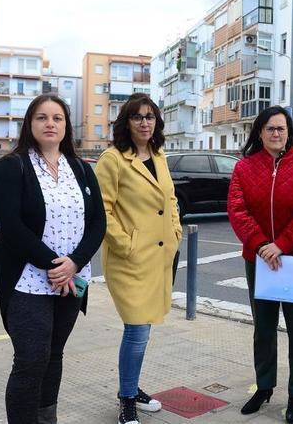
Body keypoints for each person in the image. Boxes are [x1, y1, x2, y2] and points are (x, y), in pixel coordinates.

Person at [0, 94, 106, 424]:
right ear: (30, 123)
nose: (50, 123)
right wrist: (56, 265)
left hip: (70, 281)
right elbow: (11, 227)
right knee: (30, 360)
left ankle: (47, 419)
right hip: (27, 283)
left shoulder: (81, 169)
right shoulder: (12, 167)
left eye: (57, 118)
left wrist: (75, 263)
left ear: (67, 126)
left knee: (54, 355)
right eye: (42, 117)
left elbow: (98, 221)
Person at [227, 106, 293, 424]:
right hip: (259, 261)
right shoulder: (244, 168)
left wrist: (280, 245)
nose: (276, 134)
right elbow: (237, 210)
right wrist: (262, 246)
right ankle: (264, 386)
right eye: (270, 129)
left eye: (282, 129)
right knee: (263, 329)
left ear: (289, 132)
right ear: (259, 131)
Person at [95, 94, 182, 424]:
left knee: (142, 329)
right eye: (137, 117)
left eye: (150, 117)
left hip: (158, 257)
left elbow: (170, 199)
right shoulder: (113, 159)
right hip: (129, 260)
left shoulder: (159, 155)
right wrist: (126, 244)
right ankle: (127, 399)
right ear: (126, 122)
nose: (145, 122)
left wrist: (175, 231)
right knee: (137, 331)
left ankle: (129, 388)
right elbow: (101, 211)